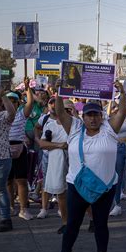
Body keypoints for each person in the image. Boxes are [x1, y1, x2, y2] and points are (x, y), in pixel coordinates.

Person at [54, 81, 126, 252]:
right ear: (83, 117)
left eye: (96, 115)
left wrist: (122, 93)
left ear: (101, 117)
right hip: (77, 186)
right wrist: (59, 93)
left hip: (105, 187)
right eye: (89, 115)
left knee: (101, 223)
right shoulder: (75, 129)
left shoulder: (109, 130)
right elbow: (61, 113)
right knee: (73, 223)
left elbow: (122, 113)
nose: (93, 119)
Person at [36, 99, 72, 235]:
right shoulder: (50, 124)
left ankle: (92, 220)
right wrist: (59, 145)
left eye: (69, 110)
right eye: (64, 110)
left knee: (79, 192)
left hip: (74, 162)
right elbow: (43, 144)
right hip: (57, 162)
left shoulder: (77, 124)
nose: (66, 113)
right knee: (61, 193)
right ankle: (65, 223)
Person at [7, 78, 35, 220]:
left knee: (21, 181)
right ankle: (11, 207)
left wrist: (27, 87)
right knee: (8, 182)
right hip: (3, 150)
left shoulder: (21, 115)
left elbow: (30, 103)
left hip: (19, 149)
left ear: (18, 103)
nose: (11, 103)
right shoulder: (0, 116)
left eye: (14, 101)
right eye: (9, 101)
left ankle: (23, 209)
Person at [0, 90, 16, 232]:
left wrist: (2, 95)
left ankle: (5, 219)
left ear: (0, 104)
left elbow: (12, 113)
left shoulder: (3, 116)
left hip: (1, 158)